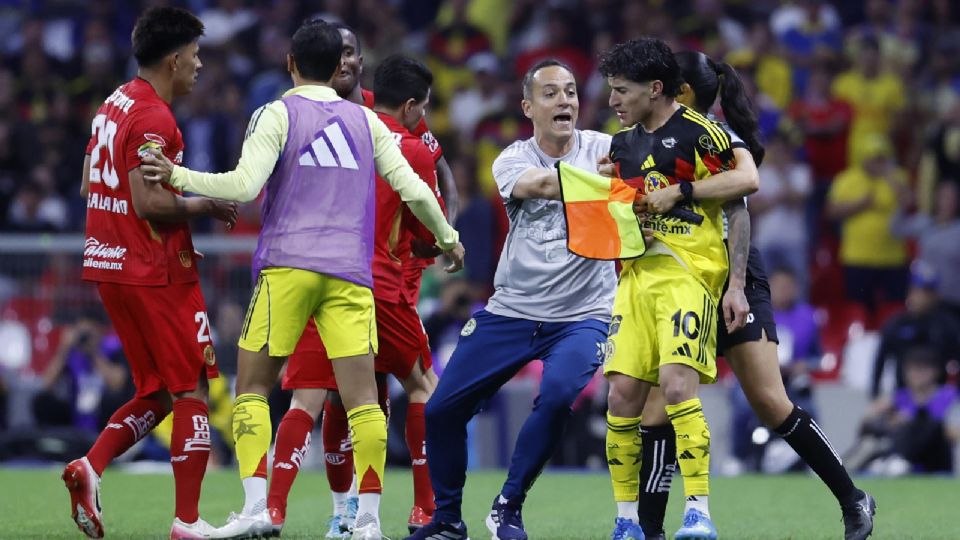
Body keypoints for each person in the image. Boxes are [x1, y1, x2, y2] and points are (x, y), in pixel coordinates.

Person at [141, 18, 464, 540]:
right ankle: (368, 520)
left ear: (290, 63)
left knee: (253, 387)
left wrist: (176, 175)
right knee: (364, 401)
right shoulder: (368, 121)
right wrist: (449, 238)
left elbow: (243, 186)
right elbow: (416, 190)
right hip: (351, 277)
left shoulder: (276, 113)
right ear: (339, 67)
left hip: (288, 269)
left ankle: (257, 508)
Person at [630, 49, 876, 540]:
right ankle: (649, 530)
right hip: (677, 279)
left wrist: (737, 286)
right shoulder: (646, 139)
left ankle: (853, 499)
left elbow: (739, 211)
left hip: (730, 276)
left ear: (680, 90)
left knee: (769, 400)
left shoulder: (717, 137)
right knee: (657, 406)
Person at [406, 59, 618, 540]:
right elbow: (541, 185)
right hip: (513, 311)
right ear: (528, 107)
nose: (564, 100)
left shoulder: (605, 148)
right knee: (440, 411)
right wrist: (611, 181)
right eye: (551, 93)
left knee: (559, 395)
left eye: (570, 92)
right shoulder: (511, 159)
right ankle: (447, 520)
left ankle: (509, 506)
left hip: (584, 313)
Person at [62, 7, 238, 539]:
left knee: (158, 392)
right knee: (191, 391)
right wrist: (204, 206)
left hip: (112, 263)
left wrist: (169, 234)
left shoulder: (114, 102)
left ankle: (90, 467)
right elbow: (148, 202)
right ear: (174, 59)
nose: (200, 65)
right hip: (152, 272)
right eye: (196, 55)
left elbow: (92, 184)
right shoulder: (155, 117)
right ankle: (188, 522)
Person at [265, 54, 449, 540]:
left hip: (314, 274)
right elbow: (424, 229)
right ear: (411, 107)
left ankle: (276, 510)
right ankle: (422, 509)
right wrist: (444, 242)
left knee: (312, 397)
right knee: (419, 388)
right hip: (377, 284)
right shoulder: (411, 149)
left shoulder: (328, 131)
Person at [597, 38, 761, 540]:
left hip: (689, 274)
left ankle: (698, 511)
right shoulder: (621, 147)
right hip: (635, 279)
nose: (613, 101)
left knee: (674, 387)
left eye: (621, 90)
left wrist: (736, 285)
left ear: (655, 88)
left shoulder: (701, 133)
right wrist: (624, 220)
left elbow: (741, 195)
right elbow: (616, 217)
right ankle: (626, 522)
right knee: (621, 396)